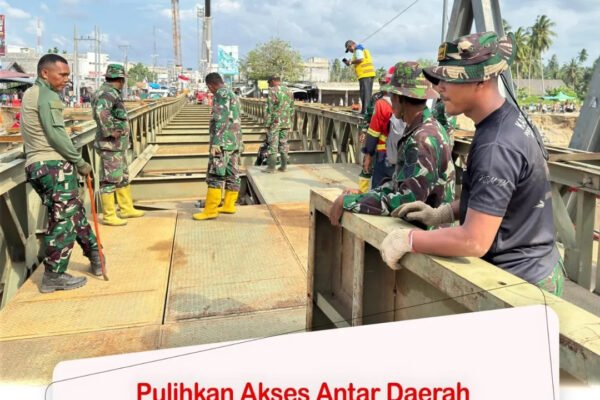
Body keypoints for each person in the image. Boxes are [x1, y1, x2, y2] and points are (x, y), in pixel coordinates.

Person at [382, 32, 564, 297]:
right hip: (536, 265)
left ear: (481, 80)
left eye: (449, 78)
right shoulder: (504, 120)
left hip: (522, 285)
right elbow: (494, 197)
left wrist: (410, 240)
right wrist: (444, 213)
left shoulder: (496, 145)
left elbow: (473, 240)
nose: (439, 88)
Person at [329, 61, 455, 224]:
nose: (390, 100)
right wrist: (365, 196)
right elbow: (400, 183)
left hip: (429, 232)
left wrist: (348, 202)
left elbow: (407, 200)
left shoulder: (421, 139)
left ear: (400, 98)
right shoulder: (423, 127)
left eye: (392, 95)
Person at [20, 54, 101, 293]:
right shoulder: (48, 96)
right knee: (64, 220)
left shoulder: (31, 93)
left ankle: (95, 255)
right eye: (62, 74)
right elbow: (56, 135)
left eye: (68, 75)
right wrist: (79, 161)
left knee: (72, 212)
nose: (66, 79)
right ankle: (54, 275)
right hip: (52, 165)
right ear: (45, 73)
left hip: (37, 165)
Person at [91, 64, 145, 226]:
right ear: (121, 80)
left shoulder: (111, 92)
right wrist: (110, 131)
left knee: (122, 176)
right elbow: (102, 112)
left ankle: (126, 208)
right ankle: (109, 215)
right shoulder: (106, 93)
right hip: (110, 144)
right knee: (110, 178)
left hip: (117, 145)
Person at [193, 72, 243, 220]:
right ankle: (229, 205)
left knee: (215, 174)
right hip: (234, 141)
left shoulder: (220, 94)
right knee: (232, 174)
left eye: (209, 88)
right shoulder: (232, 94)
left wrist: (216, 142)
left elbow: (221, 119)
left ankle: (211, 210)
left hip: (223, 142)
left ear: (210, 85)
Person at [263, 75, 293, 173]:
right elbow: (292, 108)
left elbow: (269, 108)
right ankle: (284, 167)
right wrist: (289, 119)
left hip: (275, 123)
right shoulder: (289, 91)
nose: (269, 85)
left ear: (273, 81)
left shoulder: (272, 91)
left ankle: (271, 167)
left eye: (269, 83)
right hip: (286, 122)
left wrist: (267, 124)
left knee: (273, 144)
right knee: (284, 144)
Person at [343, 40, 376, 114]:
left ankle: (365, 112)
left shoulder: (358, 49)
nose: (350, 51)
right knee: (366, 94)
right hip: (368, 74)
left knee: (365, 94)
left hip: (365, 74)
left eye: (349, 49)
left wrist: (350, 62)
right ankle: (365, 111)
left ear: (352, 45)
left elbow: (361, 59)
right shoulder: (361, 49)